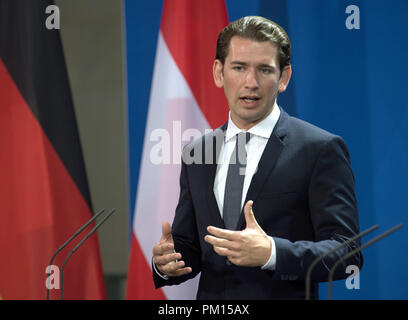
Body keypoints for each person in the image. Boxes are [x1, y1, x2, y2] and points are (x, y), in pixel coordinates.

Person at [152, 16, 362, 299]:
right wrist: (168, 262)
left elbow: (348, 253)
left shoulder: (319, 149)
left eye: (264, 69)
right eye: (239, 68)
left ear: (283, 77)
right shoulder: (197, 153)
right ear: (218, 72)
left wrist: (271, 253)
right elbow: (191, 246)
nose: (251, 82)